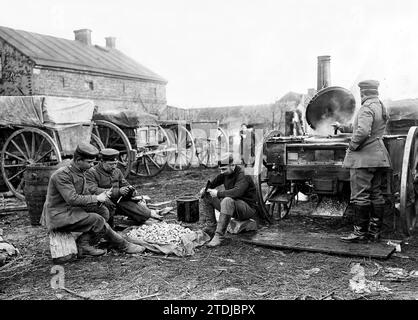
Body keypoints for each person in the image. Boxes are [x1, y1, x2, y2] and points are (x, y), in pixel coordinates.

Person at [40, 143, 145, 258]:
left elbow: (85, 192)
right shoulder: (62, 175)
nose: (91, 166)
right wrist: (96, 198)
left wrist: (101, 198)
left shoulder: (80, 171)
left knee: (104, 211)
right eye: (89, 162)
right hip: (59, 214)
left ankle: (84, 244)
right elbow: (72, 199)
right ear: (79, 160)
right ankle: (122, 245)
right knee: (97, 219)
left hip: (71, 209)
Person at [333, 80, 391, 242]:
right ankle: (374, 232)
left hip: (364, 159)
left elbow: (363, 131)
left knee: (360, 195)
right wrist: (343, 127)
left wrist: (352, 145)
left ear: (362, 93)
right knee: (376, 193)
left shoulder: (366, 108)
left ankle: (359, 233)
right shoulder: (379, 106)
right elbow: (366, 128)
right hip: (378, 157)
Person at [85, 148, 165, 226]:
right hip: (102, 202)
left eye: (115, 163)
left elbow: (125, 183)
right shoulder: (91, 172)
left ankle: (137, 214)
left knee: (144, 215)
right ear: (102, 162)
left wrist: (131, 190)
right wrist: (118, 191)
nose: (114, 166)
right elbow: (93, 190)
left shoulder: (117, 171)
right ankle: (108, 227)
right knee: (108, 205)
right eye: (110, 164)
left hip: (118, 201)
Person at [199, 154, 258, 247]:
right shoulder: (226, 173)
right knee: (206, 195)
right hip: (232, 206)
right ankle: (211, 228)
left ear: (233, 165)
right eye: (221, 170)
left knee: (227, 200)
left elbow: (237, 192)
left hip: (247, 209)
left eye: (224, 169)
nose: (222, 172)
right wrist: (205, 189)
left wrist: (218, 193)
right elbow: (213, 184)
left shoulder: (243, 174)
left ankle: (219, 236)